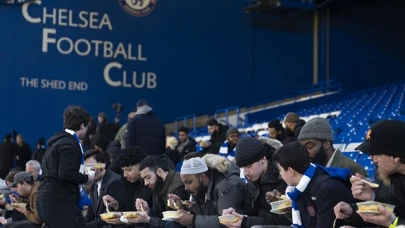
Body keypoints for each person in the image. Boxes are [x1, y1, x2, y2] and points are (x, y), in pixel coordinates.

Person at [334, 120, 405, 227]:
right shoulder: (385, 174)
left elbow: (392, 220)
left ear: (395, 156)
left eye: (375, 153)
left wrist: (394, 223)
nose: (371, 158)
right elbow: (390, 213)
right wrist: (370, 199)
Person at [36, 106, 95, 228]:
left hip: (45, 199)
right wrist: (88, 178)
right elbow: (66, 173)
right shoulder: (70, 143)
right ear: (82, 126)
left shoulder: (57, 143)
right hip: (57, 200)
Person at [171, 155, 246, 228]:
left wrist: (193, 220)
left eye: (189, 182)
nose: (186, 188)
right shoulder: (204, 187)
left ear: (202, 177)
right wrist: (183, 208)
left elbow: (227, 223)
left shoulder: (227, 186)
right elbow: (206, 214)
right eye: (184, 183)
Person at [129, 155, 188, 228]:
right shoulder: (158, 185)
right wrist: (148, 211)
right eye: (144, 179)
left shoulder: (179, 187)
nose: (145, 183)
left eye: (148, 177)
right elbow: (159, 216)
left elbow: (176, 224)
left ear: (159, 172)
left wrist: (149, 220)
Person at [298, 117, 367, 177]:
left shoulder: (352, 169)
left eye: (310, 146)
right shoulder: (313, 168)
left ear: (326, 144)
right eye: (303, 148)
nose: (305, 152)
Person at [83, 150, 126, 228]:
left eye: (92, 166)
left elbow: (109, 217)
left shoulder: (114, 182)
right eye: (87, 167)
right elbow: (91, 212)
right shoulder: (94, 184)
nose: (90, 170)